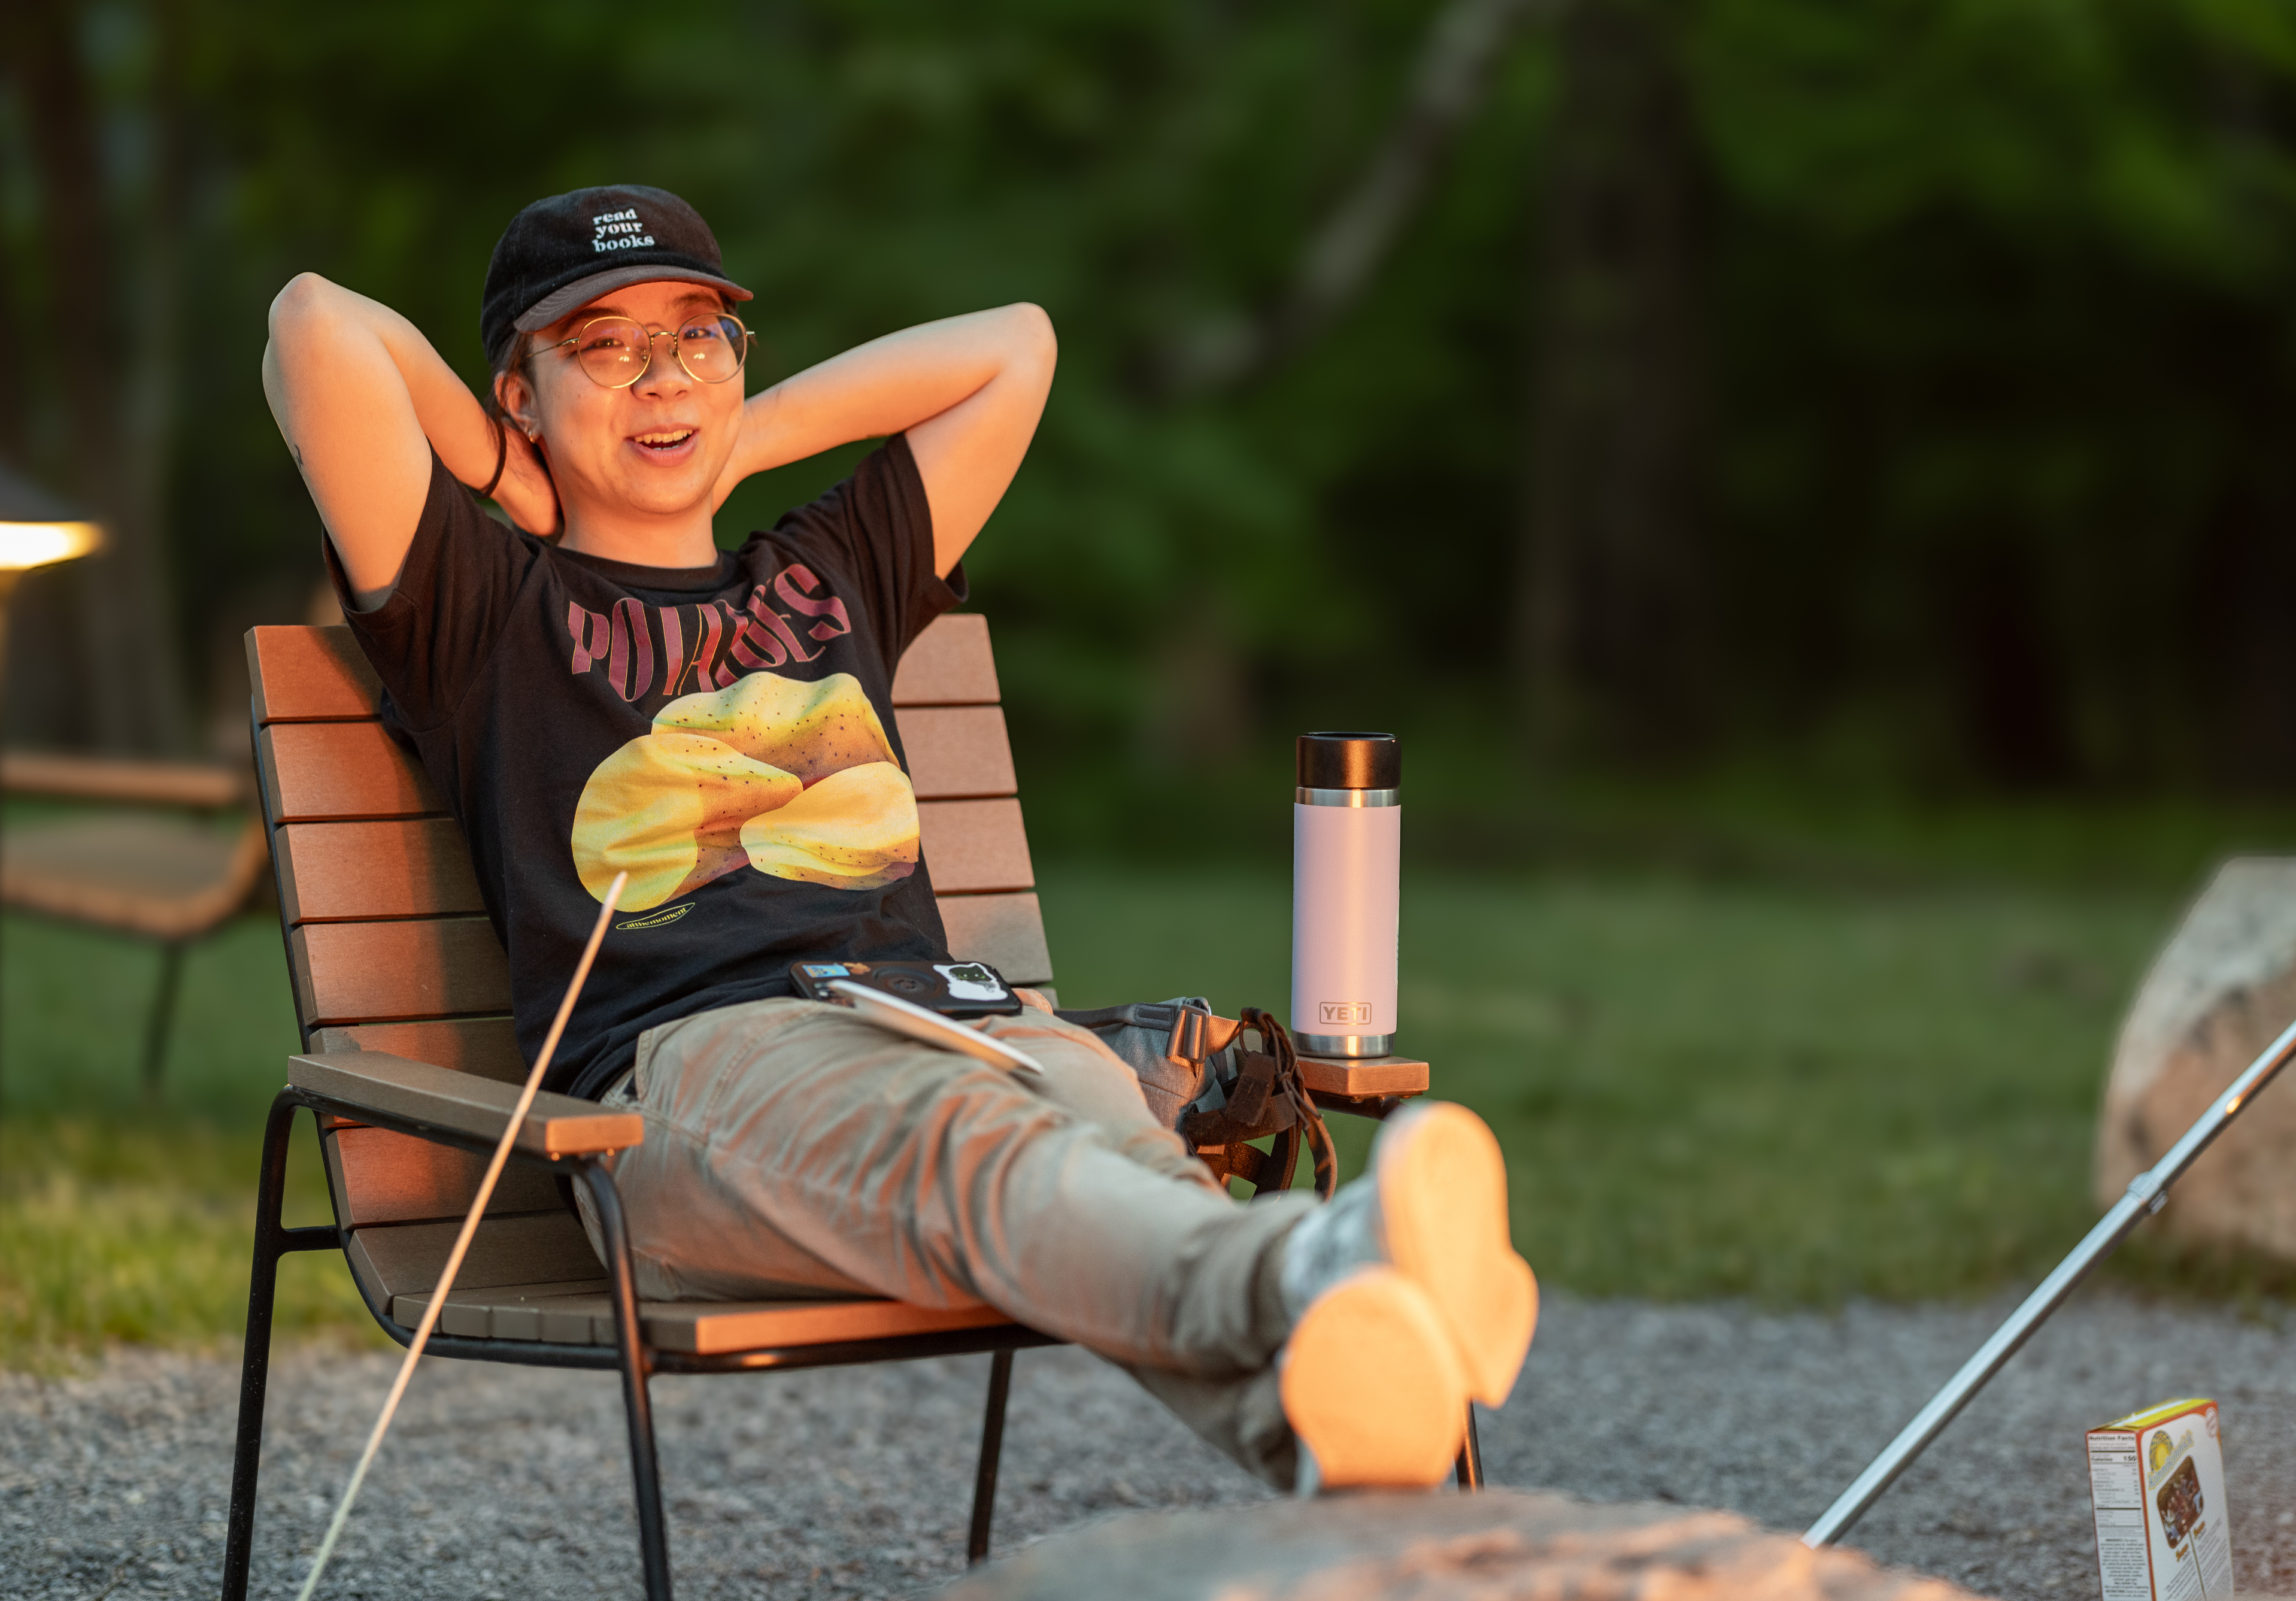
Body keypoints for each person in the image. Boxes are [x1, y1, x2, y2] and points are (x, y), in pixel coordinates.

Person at [261, 183, 1536, 1493]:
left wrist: (728, 443)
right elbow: (313, 328)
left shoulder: (828, 567)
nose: (661, 377)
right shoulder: (487, 611)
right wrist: (497, 472)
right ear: (518, 391)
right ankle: (1316, 1267)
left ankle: (1331, 1430)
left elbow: (1016, 347)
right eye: (603, 346)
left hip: (965, 1021)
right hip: (696, 1076)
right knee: (985, 1155)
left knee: (1129, 1158)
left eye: (696, 337)